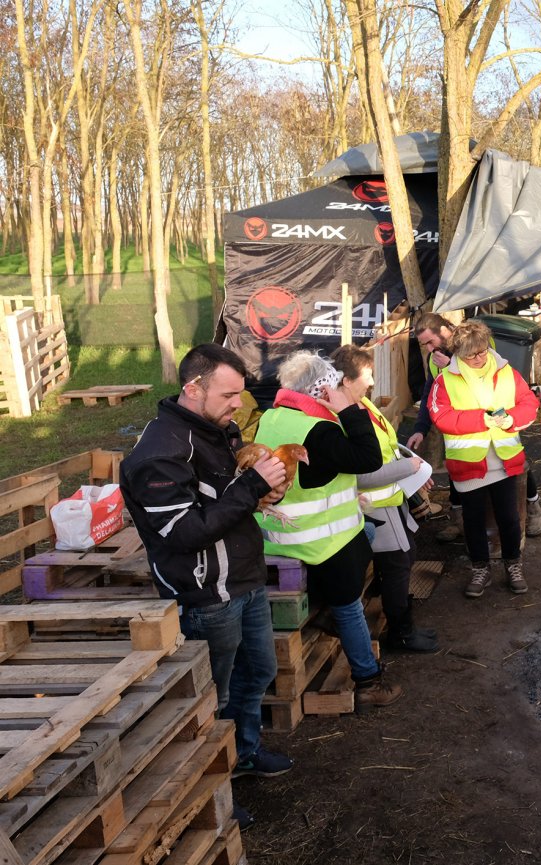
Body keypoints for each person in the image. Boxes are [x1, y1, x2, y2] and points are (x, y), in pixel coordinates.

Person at [121, 344, 292, 830]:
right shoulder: (160, 454)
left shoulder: (218, 429)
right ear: (193, 388)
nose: (239, 404)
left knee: (257, 671)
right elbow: (185, 533)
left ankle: (243, 754)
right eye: (229, 394)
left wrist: (262, 491)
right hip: (206, 595)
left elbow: (226, 499)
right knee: (209, 699)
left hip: (244, 579)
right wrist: (253, 487)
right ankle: (211, 788)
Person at [254, 350, 403, 709]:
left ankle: (323, 609)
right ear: (321, 389)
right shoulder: (318, 428)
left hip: (277, 535)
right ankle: (368, 680)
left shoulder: (273, 417)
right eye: (333, 384)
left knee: (367, 532)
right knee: (349, 604)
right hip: (320, 541)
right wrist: (350, 411)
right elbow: (368, 458)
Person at [332, 344, 439, 653]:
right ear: (346, 380)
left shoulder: (363, 404)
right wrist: (407, 467)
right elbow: (358, 474)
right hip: (373, 507)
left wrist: (414, 472)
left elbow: (387, 449)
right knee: (398, 565)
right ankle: (402, 634)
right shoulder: (342, 419)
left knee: (404, 558)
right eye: (367, 375)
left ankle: (403, 628)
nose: (372, 382)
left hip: (390, 502)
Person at [409, 313, 541, 538]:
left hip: (498, 424)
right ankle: (458, 519)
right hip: (463, 429)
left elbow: (491, 366)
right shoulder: (434, 359)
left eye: (430, 342)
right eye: (423, 344)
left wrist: (454, 364)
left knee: (515, 463)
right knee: (458, 465)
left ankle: (533, 506)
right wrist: (420, 429)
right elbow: (429, 394)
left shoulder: (475, 340)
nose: (427, 348)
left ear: (444, 332)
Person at [431, 320, 540, 598]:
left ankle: (513, 565)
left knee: (509, 517)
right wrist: (483, 420)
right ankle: (480, 569)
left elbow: (529, 402)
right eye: (471, 355)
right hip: (468, 464)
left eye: (482, 351)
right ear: (459, 353)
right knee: (474, 520)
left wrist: (512, 419)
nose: (479, 358)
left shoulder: (507, 371)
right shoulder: (445, 380)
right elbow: (441, 417)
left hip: (504, 461)